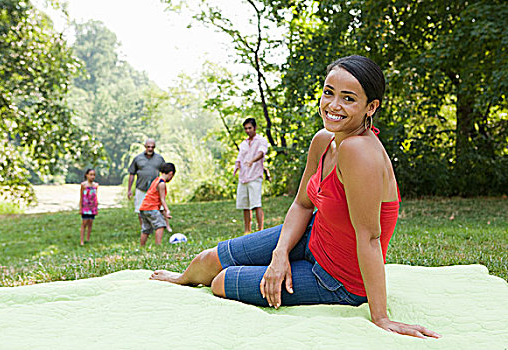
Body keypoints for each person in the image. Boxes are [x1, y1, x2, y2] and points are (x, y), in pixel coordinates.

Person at [149, 55, 440, 339]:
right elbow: (302, 204)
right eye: (329, 93)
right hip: (313, 236)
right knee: (207, 260)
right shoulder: (324, 140)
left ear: (370, 106)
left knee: (222, 281)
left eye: (348, 98)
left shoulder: (359, 152)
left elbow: (370, 238)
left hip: (339, 279)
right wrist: (280, 255)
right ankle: (181, 279)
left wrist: (381, 316)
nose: (333, 106)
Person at [233, 118, 269, 234]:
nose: (247, 130)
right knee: (245, 205)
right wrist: (236, 167)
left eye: (249, 128)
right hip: (243, 177)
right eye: (245, 128)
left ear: (255, 128)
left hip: (255, 175)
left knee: (256, 204)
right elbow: (239, 158)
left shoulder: (261, 140)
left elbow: (261, 153)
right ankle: (247, 230)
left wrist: (252, 161)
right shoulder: (243, 143)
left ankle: (260, 230)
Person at [127, 139, 165, 228]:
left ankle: (160, 226)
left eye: (152, 147)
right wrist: (129, 190)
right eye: (148, 147)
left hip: (155, 189)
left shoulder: (159, 159)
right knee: (140, 209)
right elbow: (132, 174)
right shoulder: (138, 158)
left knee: (159, 208)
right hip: (141, 188)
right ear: (145, 147)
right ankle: (144, 228)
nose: (150, 149)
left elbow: (164, 173)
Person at [139, 163, 176, 246]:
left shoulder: (156, 180)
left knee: (146, 229)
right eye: (172, 176)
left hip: (144, 207)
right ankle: (158, 245)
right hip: (152, 208)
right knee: (160, 225)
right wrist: (167, 210)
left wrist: (162, 211)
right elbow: (162, 199)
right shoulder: (162, 183)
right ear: (170, 173)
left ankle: (142, 246)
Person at [79, 169, 98, 246]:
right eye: (90, 174)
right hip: (85, 206)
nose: (92, 176)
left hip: (92, 206)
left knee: (90, 222)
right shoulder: (83, 185)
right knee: (84, 223)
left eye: (93, 175)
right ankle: (82, 240)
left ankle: (88, 238)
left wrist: (96, 207)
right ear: (86, 175)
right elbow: (81, 197)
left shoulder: (96, 185)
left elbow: (95, 196)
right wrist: (80, 207)